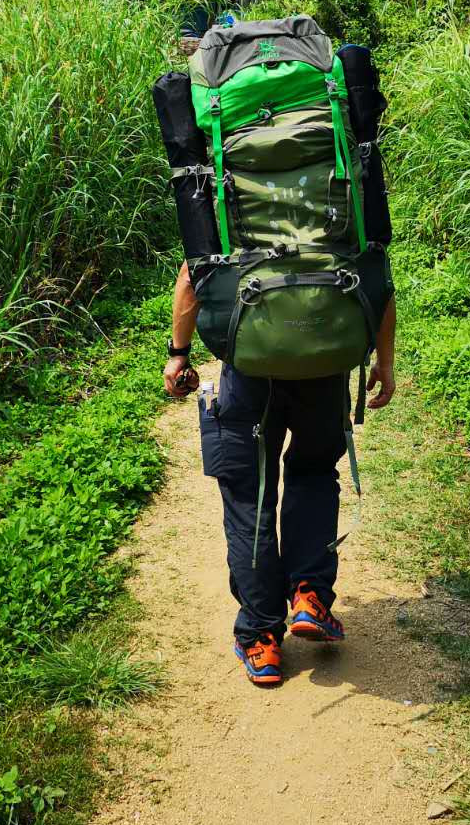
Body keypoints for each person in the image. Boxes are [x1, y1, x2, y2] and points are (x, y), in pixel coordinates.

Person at [163, 266, 397, 687]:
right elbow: (378, 279)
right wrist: (385, 360)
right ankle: (309, 596)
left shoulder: (229, 198)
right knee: (313, 472)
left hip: (251, 371)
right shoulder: (341, 198)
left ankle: (261, 636)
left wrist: (178, 352)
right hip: (324, 367)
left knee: (249, 494)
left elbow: (190, 277)